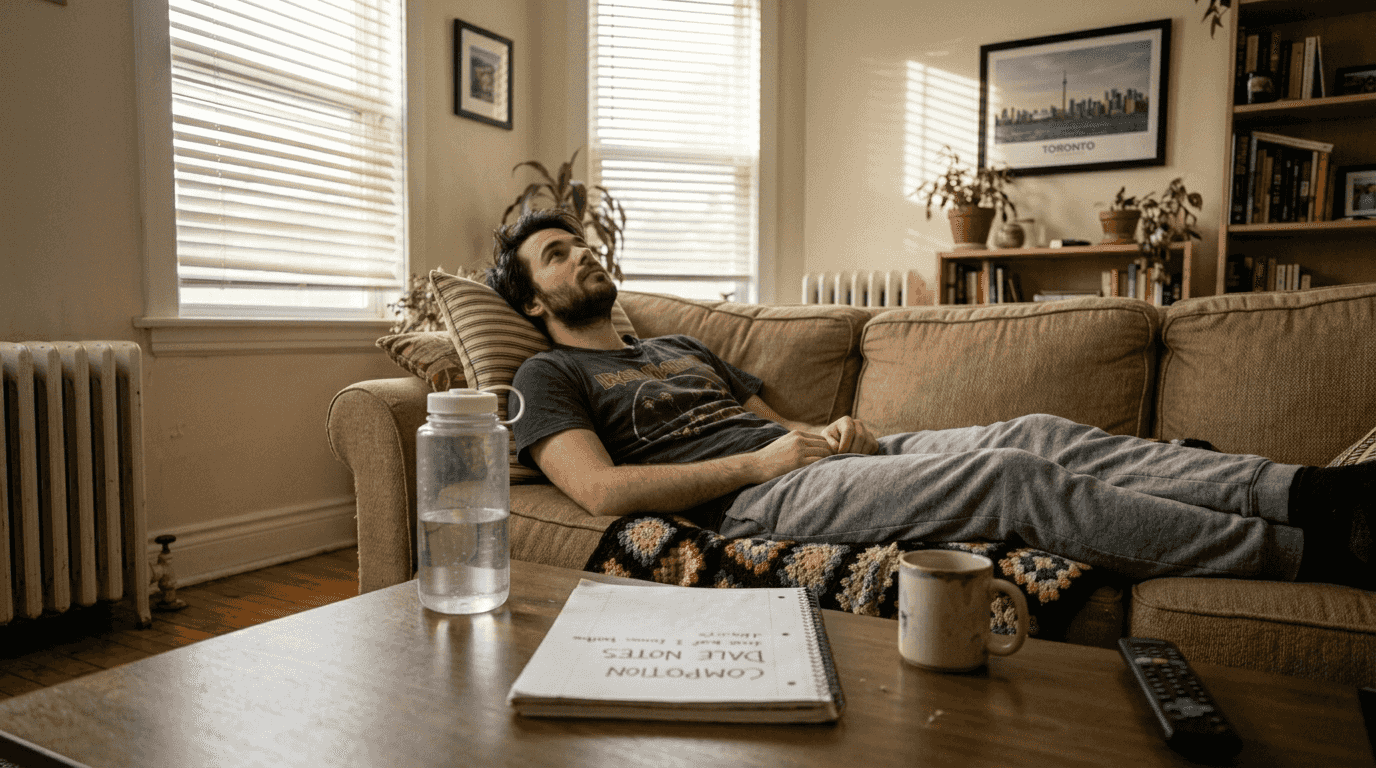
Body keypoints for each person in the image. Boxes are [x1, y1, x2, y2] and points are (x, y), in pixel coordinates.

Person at [486, 209, 1374, 590]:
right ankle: (1302, 553)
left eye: (583, 242)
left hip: (804, 461)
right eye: (557, 255)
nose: (583, 255)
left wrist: (819, 428)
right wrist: (767, 461)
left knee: (1037, 428)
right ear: (532, 301)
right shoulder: (548, 377)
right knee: (1012, 477)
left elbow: (772, 425)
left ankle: (1303, 491)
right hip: (752, 500)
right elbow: (599, 494)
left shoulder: (679, 347)